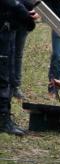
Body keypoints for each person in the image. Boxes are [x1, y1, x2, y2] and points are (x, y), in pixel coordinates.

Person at [1, 0, 37, 136]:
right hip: (3, 30)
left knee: (8, 76)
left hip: (8, 29)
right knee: (2, 78)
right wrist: (25, 13)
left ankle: (5, 117)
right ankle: (3, 120)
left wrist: (29, 9)